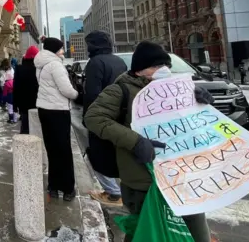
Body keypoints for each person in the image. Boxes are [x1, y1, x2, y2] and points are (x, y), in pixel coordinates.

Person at [85, 41, 214, 242]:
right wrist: (135, 142)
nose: (163, 70)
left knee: (197, 232)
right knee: (145, 232)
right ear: (139, 70)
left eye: (166, 65)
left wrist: (199, 101)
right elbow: (94, 118)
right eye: (156, 66)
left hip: (182, 176)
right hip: (142, 180)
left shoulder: (177, 89)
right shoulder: (121, 90)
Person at [82, 31, 127, 207]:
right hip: (118, 116)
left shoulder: (95, 63)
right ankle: (120, 189)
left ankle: (113, 193)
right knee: (115, 153)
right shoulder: (119, 61)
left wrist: (88, 118)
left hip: (100, 117)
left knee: (97, 155)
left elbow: (92, 93)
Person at [34, 37, 79, 201]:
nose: (62, 51)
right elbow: (67, 90)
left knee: (52, 149)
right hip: (58, 111)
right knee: (64, 151)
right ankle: (68, 188)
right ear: (54, 50)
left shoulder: (40, 64)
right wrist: (77, 94)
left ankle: (53, 186)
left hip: (44, 110)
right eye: (60, 48)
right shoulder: (55, 65)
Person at [13, 46, 39, 134]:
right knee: (37, 126)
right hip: (38, 102)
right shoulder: (39, 68)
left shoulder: (19, 68)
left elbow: (16, 87)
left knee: (25, 125)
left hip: (23, 103)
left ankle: (24, 142)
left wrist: (15, 105)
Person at [0, 58, 16, 123]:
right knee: (13, 104)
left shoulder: (2, 71)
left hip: (6, 87)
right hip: (13, 87)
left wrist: (3, 89)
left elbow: (1, 82)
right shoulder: (12, 69)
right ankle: (15, 119)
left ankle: (11, 119)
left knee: (9, 105)